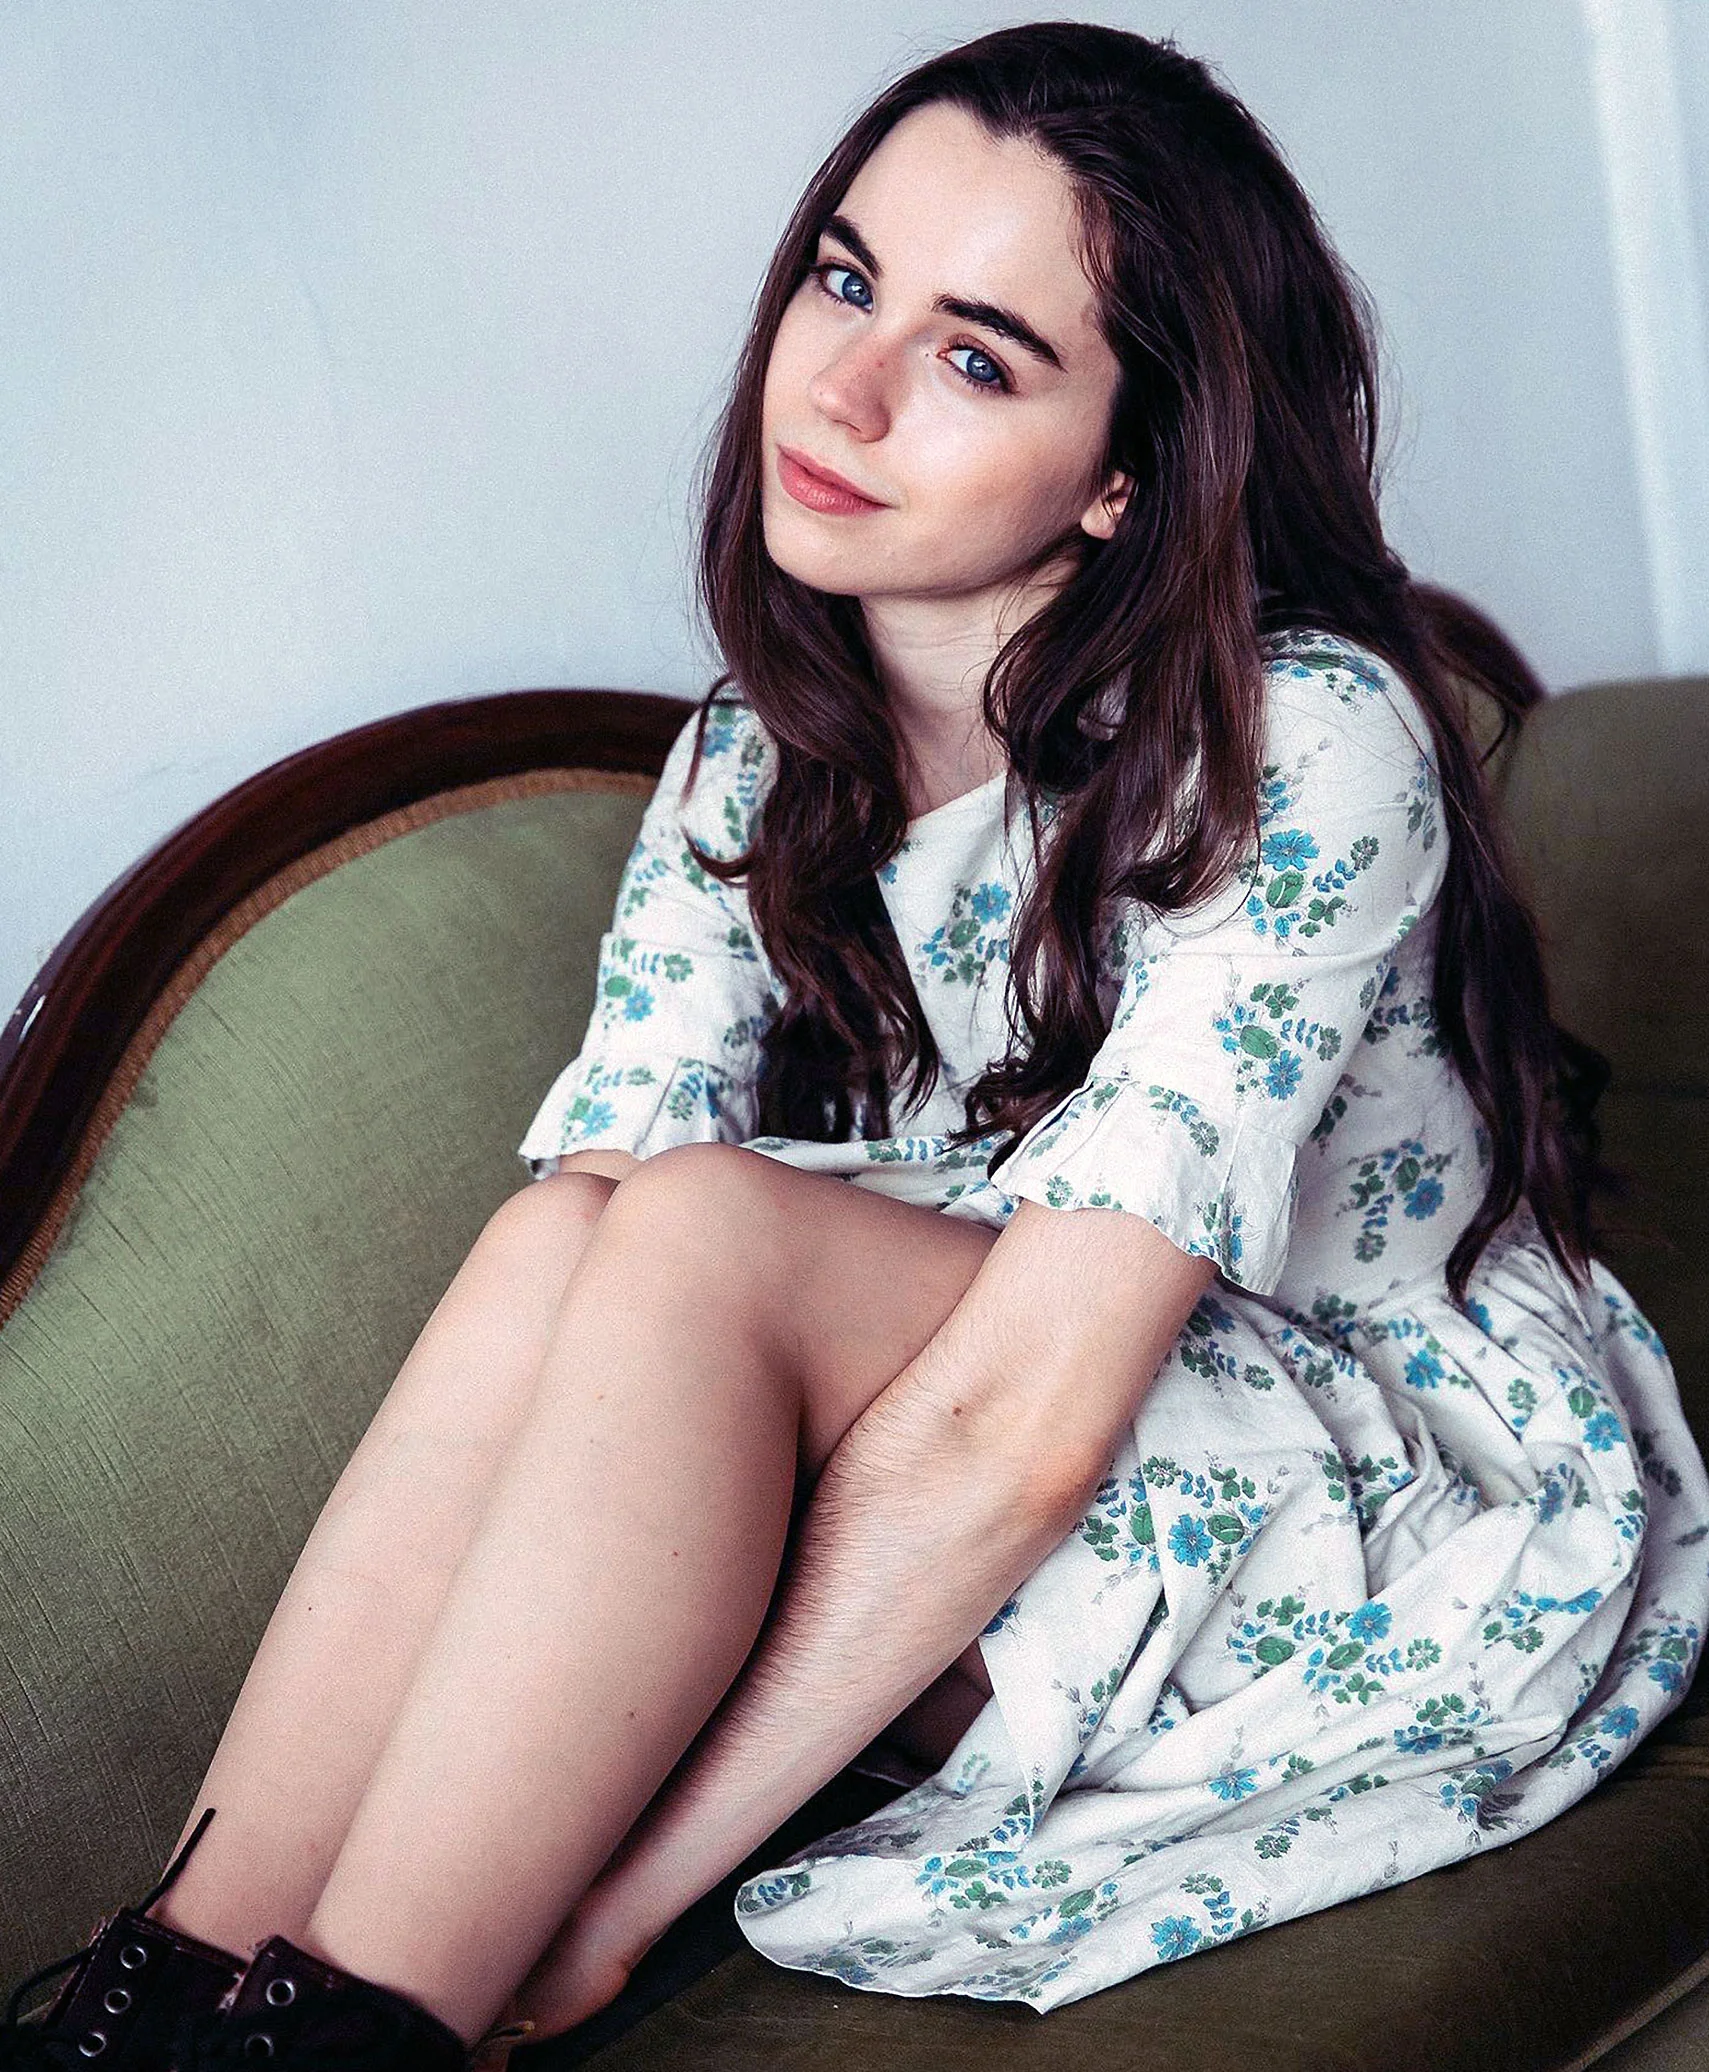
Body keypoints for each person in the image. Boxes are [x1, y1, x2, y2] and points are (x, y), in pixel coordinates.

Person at [7, 19, 1706, 2069]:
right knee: (571, 1231)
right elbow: (563, 1317)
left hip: (1359, 1508)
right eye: (843, 279)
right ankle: (176, 1976)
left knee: (700, 1225)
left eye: (977, 358)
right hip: (984, 1474)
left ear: (1126, 474)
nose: (842, 387)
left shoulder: (1300, 741)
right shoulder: (748, 754)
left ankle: (369, 2034)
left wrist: (621, 1899)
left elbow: (1028, 1420)